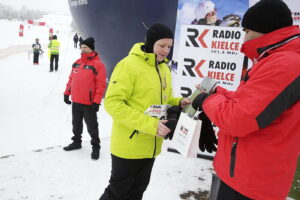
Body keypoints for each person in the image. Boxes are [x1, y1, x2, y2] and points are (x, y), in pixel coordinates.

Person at [192, 0, 300, 199]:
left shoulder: (286, 63)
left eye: (247, 31)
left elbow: (238, 119)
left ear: (265, 29)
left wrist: (206, 101)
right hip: (245, 175)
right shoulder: (276, 58)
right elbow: (249, 104)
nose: (244, 37)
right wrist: (216, 93)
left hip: (252, 184)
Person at [99, 23, 191, 200]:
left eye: (169, 46)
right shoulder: (128, 65)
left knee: (137, 193)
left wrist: (179, 102)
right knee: (117, 193)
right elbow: (112, 103)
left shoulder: (164, 68)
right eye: (161, 45)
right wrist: (150, 125)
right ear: (150, 43)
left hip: (151, 146)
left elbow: (163, 100)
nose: (166, 51)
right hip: (129, 147)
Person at [63, 37, 106, 160]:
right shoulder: (76, 62)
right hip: (76, 101)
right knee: (76, 124)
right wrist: (66, 93)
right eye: (81, 47)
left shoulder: (98, 65)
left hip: (89, 103)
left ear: (91, 48)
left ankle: (96, 147)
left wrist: (96, 102)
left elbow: (101, 85)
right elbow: (71, 79)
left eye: (85, 47)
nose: (82, 49)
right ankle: (76, 142)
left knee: (92, 126)